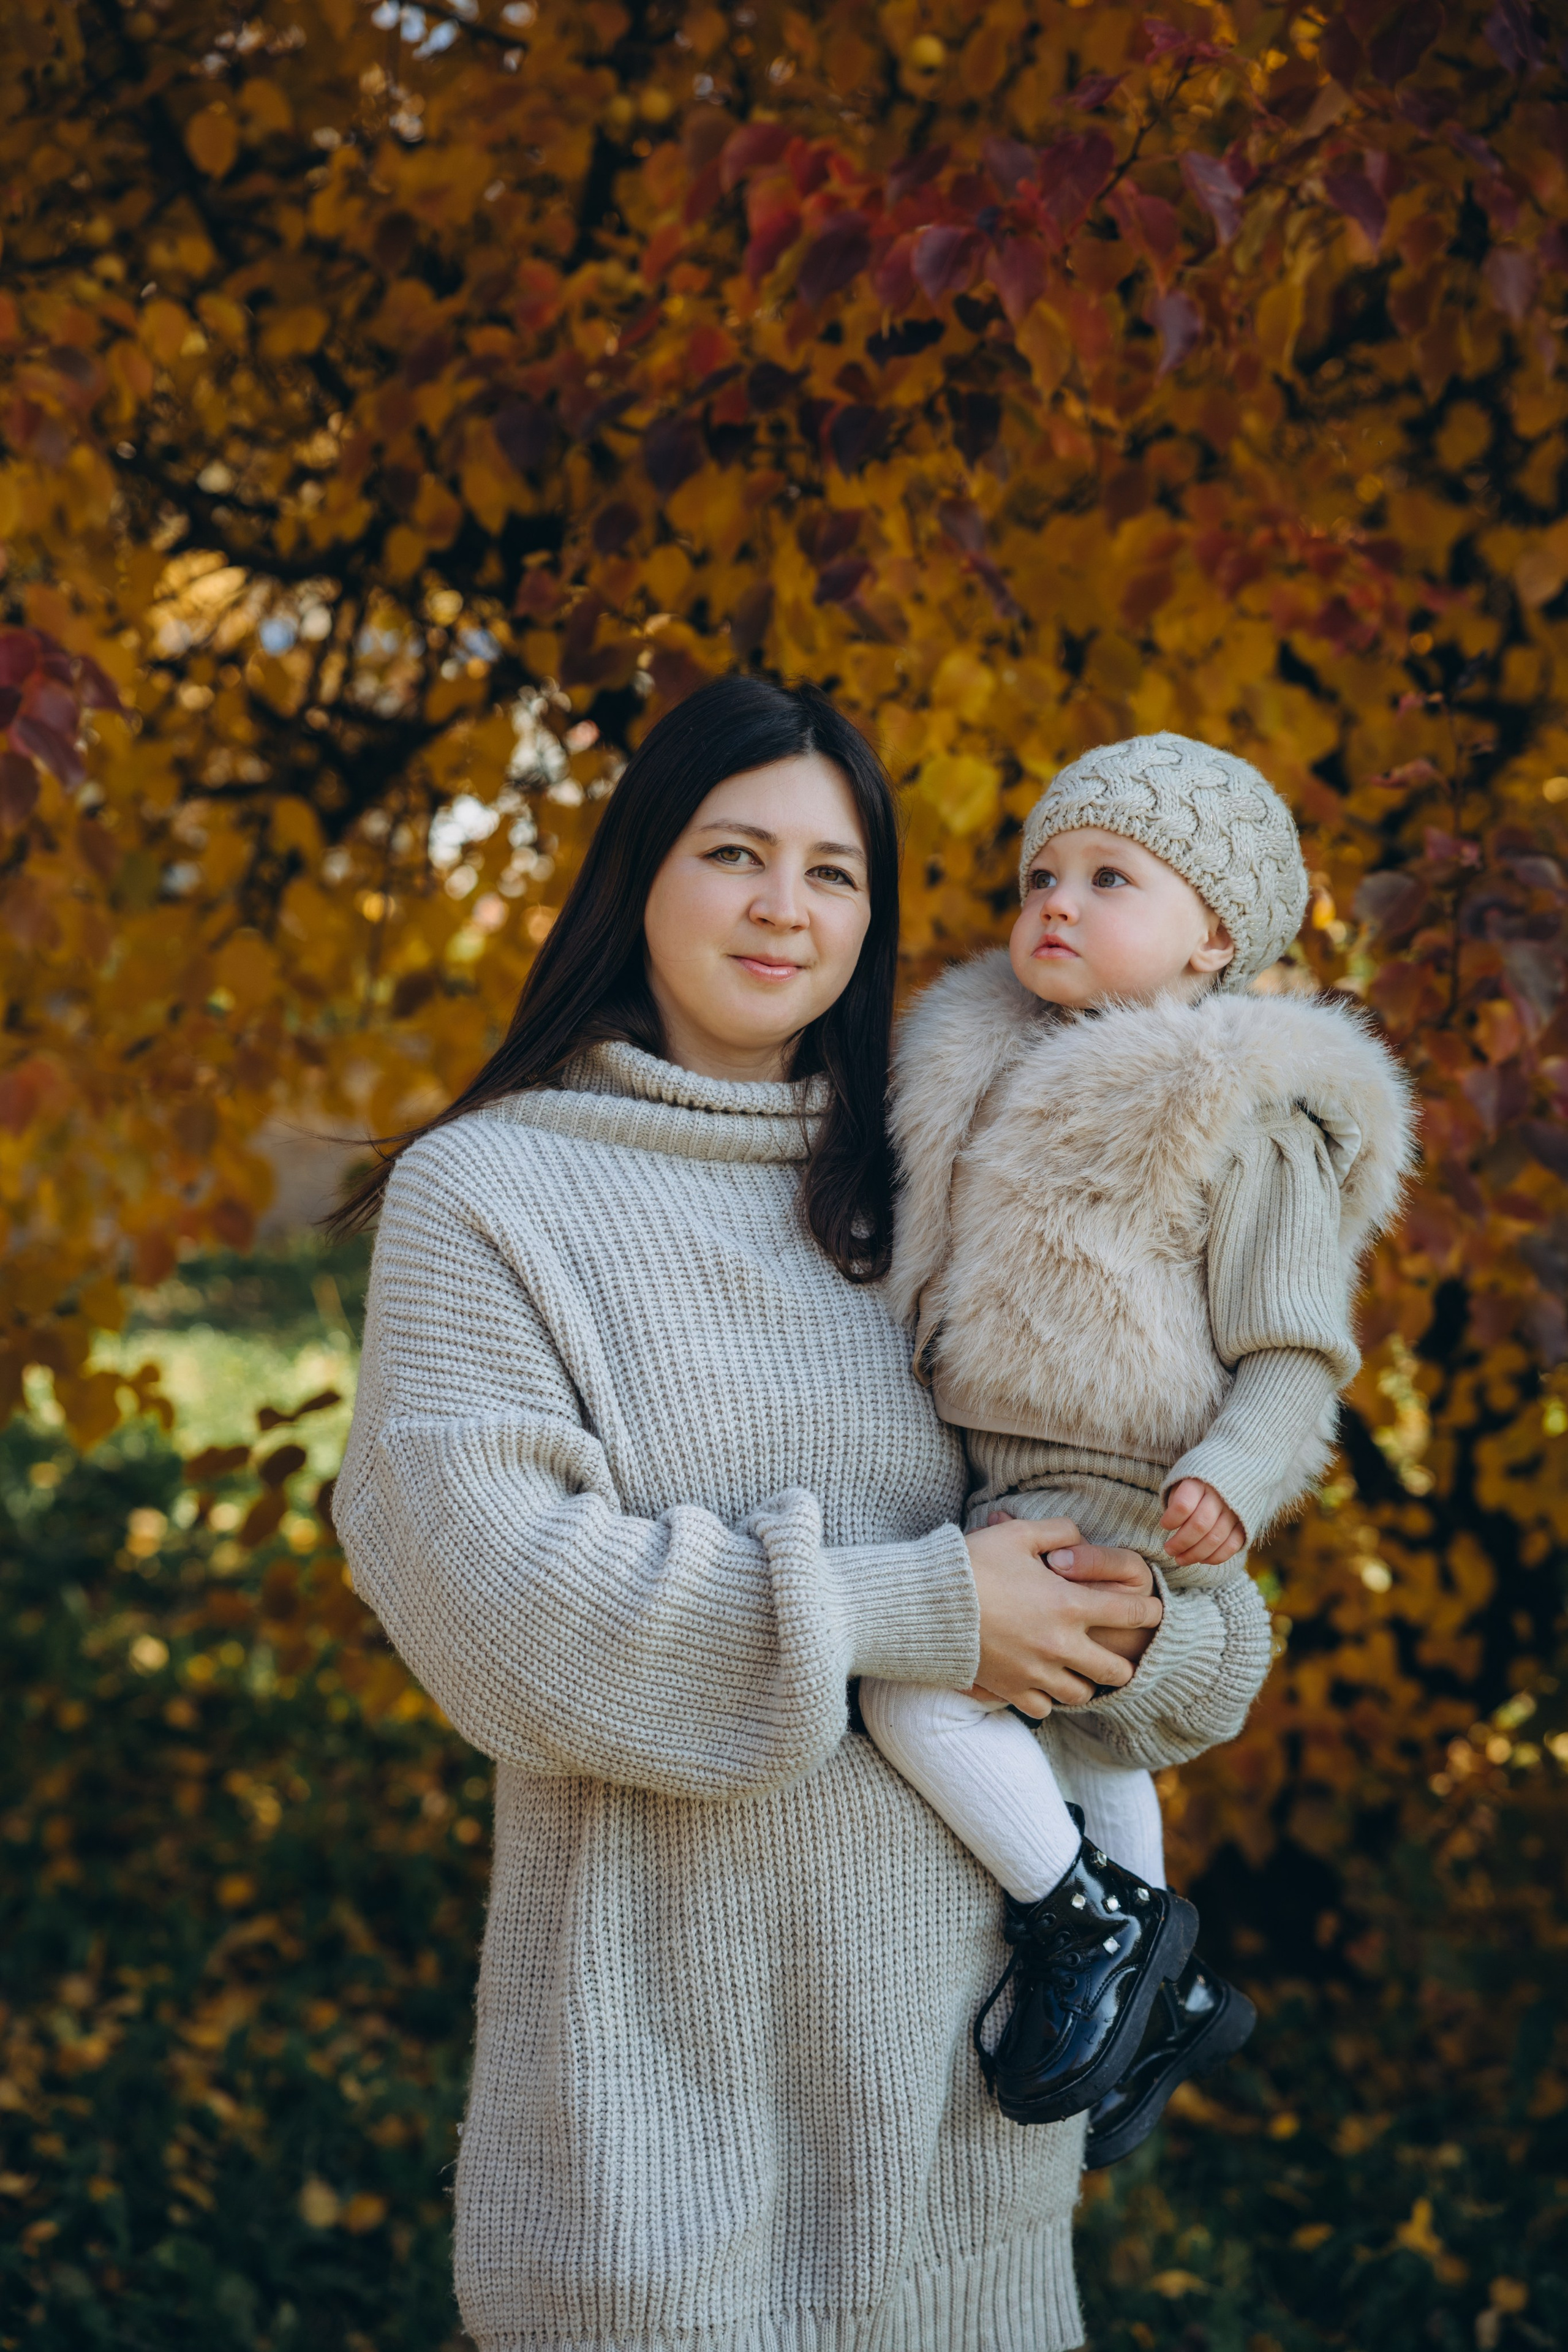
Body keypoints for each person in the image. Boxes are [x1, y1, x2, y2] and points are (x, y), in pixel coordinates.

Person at [332, 679, 1274, 2352]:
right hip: (658, 2159)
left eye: (835, 873)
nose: (785, 908)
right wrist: (920, 1610)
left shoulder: (943, 1188)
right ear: (641, 873)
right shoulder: (493, 1195)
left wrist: (1159, 1625)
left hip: (963, 2171)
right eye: (735, 853)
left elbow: (1116, 1534)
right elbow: (507, 1612)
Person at [862, 731, 1414, 2164]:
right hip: (1005, 1481)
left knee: (917, 1693)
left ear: (1213, 935)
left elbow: (1291, 1349)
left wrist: (1226, 1481)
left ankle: (1089, 1926)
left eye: (1109, 877)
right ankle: (1151, 2001)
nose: (1053, 897)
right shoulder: (974, 1065)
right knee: (1094, 1747)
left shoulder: (1240, 1116)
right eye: (1039, 871)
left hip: (1130, 1497)